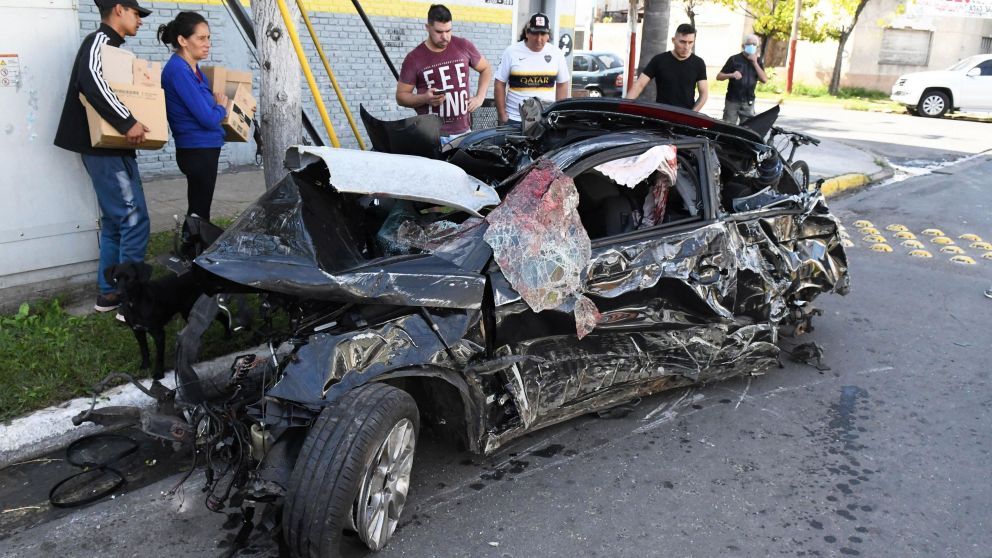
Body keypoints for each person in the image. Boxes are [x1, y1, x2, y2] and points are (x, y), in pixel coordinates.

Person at [54, 0, 153, 313]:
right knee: (134, 220)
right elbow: (91, 79)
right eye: (137, 13)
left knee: (115, 222)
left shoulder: (117, 50)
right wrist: (128, 121)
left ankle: (109, 293)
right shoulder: (99, 41)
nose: (140, 20)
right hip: (103, 149)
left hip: (112, 149)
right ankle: (131, 298)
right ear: (120, 10)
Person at [159, 12, 228, 222]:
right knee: (199, 209)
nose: (207, 43)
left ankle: (194, 249)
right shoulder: (178, 71)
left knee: (200, 207)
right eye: (201, 38)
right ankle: (193, 250)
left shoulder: (193, 68)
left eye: (208, 38)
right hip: (197, 149)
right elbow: (207, 118)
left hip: (204, 148)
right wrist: (221, 108)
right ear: (182, 40)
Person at [397, 4, 493, 144]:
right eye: (439, 32)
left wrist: (480, 97)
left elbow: (485, 69)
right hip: (431, 135)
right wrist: (425, 98)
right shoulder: (414, 58)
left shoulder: (463, 45)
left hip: (463, 133)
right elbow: (401, 97)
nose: (445, 37)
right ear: (427, 27)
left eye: (448, 31)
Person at [494, 12, 570, 126]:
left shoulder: (557, 54)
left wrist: (558, 114)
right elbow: (499, 83)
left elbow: (562, 84)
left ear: (548, 35)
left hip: (545, 120)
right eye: (535, 33)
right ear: (527, 33)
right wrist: (502, 114)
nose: (539, 39)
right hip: (515, 120)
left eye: (543, 34)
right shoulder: (511, 52)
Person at [625, 23, 708, 112]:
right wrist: (624, 107)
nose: (686, 47)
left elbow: (704, 94)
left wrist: (692, 114)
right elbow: (639, 85)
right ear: (673, 40)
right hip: (662, 115)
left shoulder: (698, 63)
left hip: (686, 116)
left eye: (690, 42)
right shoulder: (659, 60)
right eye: (682, 42)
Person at [716, 34, 768, 124]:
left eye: (754, 44)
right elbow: (719, 76)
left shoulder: (758, 61)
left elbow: (764, 80)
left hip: (748, 101)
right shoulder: (734, 59)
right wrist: (731, 75)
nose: (752, 46)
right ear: (743, 46)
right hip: (732, 100)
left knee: (748, 128)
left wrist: (755, 63)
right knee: (728, 126)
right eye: (749, 44)